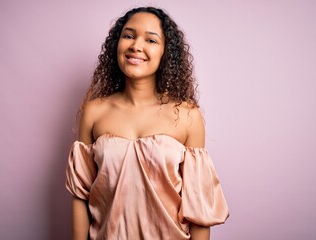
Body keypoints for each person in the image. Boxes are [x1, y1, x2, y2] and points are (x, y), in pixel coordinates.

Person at [66, 6, 229, 240]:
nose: (136, 46)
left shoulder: (187, 115)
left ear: (166, 53)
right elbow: (80, 196)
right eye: (129, 35)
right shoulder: (94, 112)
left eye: (150, 40)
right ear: (117, 44)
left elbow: (199, 209)